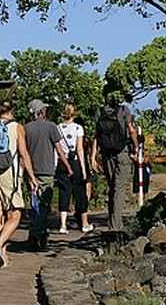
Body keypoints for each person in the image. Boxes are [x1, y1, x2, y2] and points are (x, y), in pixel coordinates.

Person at [0, 99, 37, 267]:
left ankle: (3, 257)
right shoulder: (16, 127)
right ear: (12, 111)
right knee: (15, 214)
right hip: (8, 174)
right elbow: (24, 153)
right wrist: (31, 177)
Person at [25, 99, 72, 251]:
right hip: (46, 170)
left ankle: (41, 238)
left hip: (31, 171)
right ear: (41, 111)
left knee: (35, 205)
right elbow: (59, 149)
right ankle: (35, 232)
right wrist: (68, 166)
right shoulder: (51, 126)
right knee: (45, 206)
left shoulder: (26, 128)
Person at [90, 89, 139, 233]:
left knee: (113, 187)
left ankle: (112, 220)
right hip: (122, 152)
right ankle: (116, 225)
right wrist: (136, 148)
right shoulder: (124, 110)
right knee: (120, 188)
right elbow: (131, 130)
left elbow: (96, 135)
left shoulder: (99, 112)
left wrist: (93, 156)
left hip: (106, 154)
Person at [57, 103, 91, 234]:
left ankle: (63, 225)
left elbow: (57, 148)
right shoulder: (78, 128)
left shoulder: (58, 128)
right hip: (75, 162)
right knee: (80, 193)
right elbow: (80, 149)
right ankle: (84, 223)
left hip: (62, 162)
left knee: (64, 192)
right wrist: (83, 168)